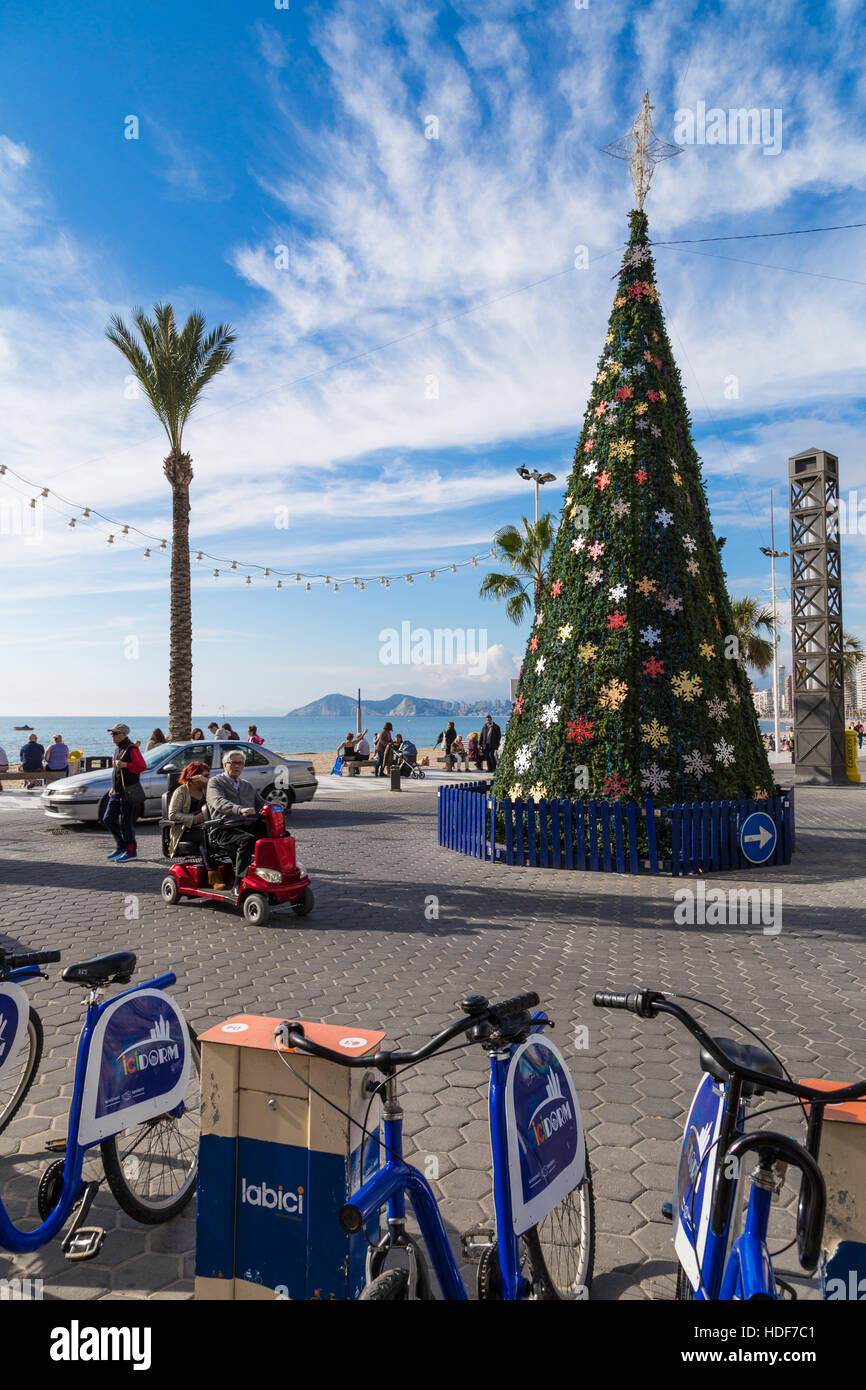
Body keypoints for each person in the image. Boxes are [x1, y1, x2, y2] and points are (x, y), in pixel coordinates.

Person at [206, 749, 269, 894]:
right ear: (225, 764)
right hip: (223, 828)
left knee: (278, 835)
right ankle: (239, 882)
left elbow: (261, 802)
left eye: (240, 763)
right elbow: (218, 802)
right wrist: (239, 809)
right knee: (246, 840)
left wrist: (273, 807)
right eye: (233, 763)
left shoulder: (247, 785)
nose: (236, 766)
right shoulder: (215, 782)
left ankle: (271, 874)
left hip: (246, 825)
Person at [104, 722, 147, 862]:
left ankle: (131, 851)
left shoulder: (132, 748)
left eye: (115, 733)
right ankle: (122, 846)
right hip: (117, 792)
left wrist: (125, 765)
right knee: (108, 819)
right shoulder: (118, 749)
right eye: (112, 733)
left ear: (124, 734)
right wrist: (113, 787)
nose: (113, 736)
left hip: (128, 793)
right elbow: (116, 772)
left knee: (126, 823)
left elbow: (142, 766)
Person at [167, 762, 217, 880]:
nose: (207, 778)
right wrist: (194, 819)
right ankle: (213, 874)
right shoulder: (181, 791)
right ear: (194, 777)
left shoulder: (207, 788)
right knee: (204, 837)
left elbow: (223, 789)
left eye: (208, 776)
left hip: (206, 826)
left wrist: (207, 782)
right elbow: (172, 815)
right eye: (205, 776)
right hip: (185, 830)